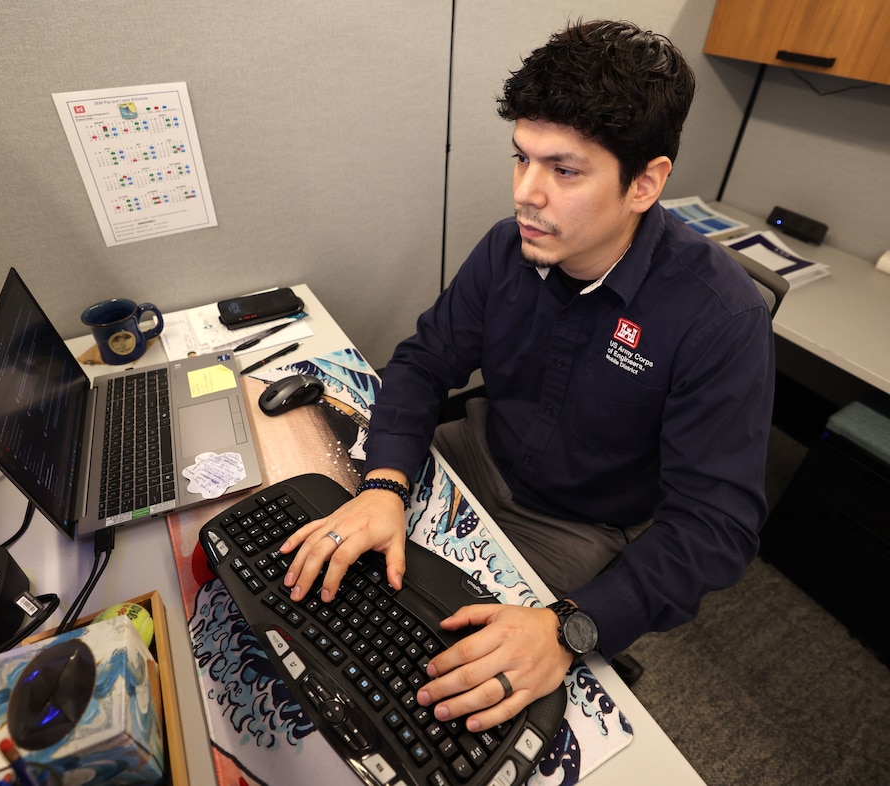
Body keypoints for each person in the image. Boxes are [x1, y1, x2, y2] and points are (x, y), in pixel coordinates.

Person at [282, 19, 774, 734]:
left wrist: (569, 627)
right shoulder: (511, 247)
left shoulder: (717, 315)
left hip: (575, 524)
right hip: (474, 455)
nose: (526, 194)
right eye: (522, 159)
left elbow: (716, 528)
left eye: (564, 170)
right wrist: (387, 483)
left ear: (645, 183)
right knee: (323, 567)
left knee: (436, 685)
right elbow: (424, 361)